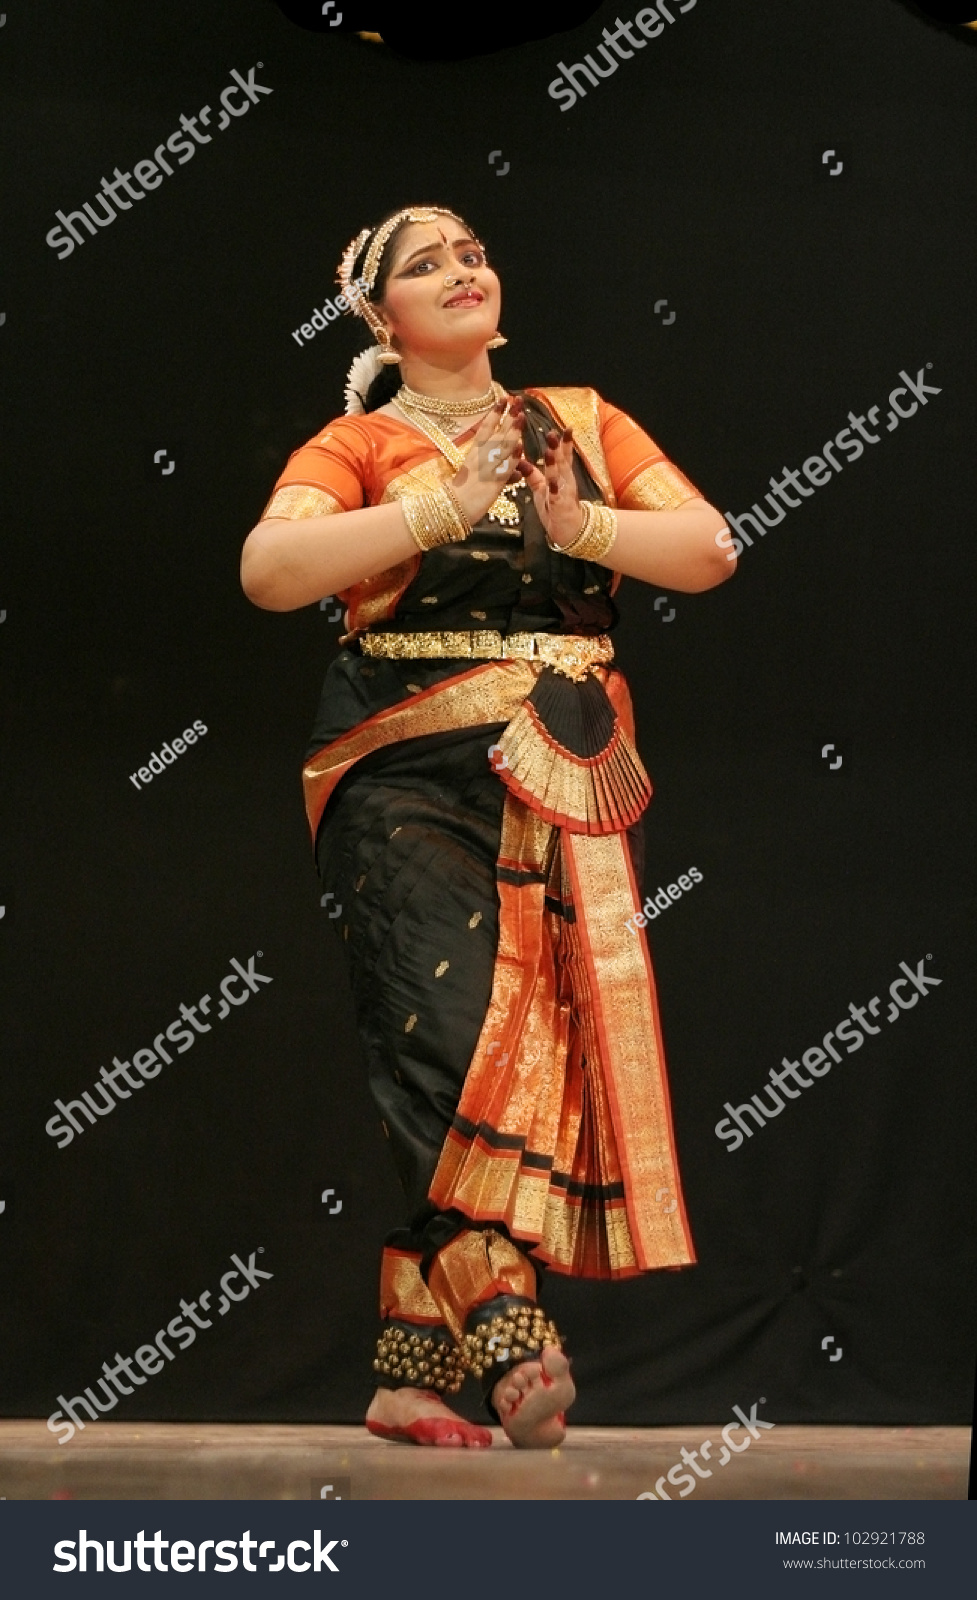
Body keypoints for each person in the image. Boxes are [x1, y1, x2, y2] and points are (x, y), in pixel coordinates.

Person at [240, 205, 735, 1450]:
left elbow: (707, 549)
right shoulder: (356, 442)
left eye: (469, 252)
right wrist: (438, 504)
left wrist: (574, 525)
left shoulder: (579, 418)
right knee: (452, 1039)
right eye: (424, 264)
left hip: (554, 772)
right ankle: (504, 1314)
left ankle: (407, 1367)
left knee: (528, 1058)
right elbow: (271, 571)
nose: (459, 270)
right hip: (399, 769)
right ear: (380, 318)